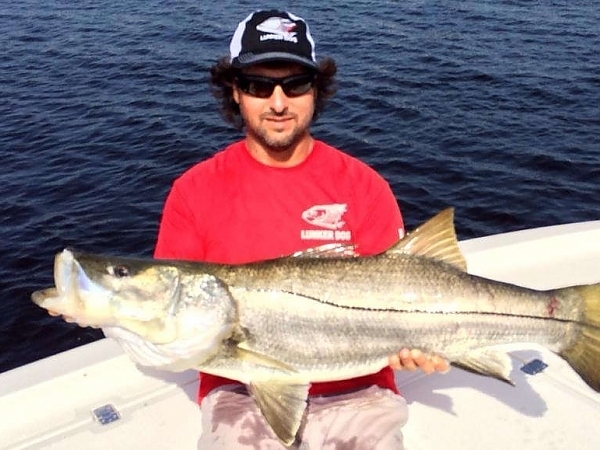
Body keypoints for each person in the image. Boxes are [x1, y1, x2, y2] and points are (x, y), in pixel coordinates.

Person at [154, 10, 448, 449]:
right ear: (235, 92)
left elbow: (405, 283)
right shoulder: (193, 192)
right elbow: (168, 315)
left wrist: (420, 346)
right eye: (258, 85)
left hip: (358, 387)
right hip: (241, 389)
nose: (277, 102)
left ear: (315, 91)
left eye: (294, 84)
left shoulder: (365, 187)